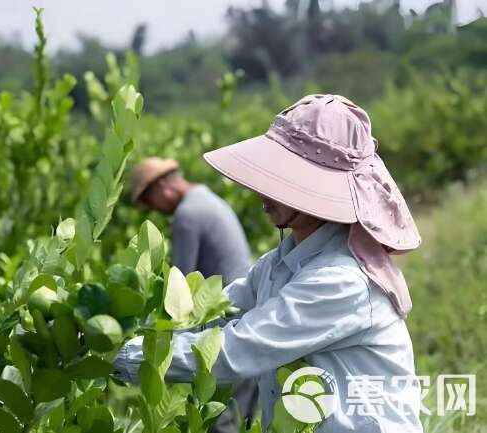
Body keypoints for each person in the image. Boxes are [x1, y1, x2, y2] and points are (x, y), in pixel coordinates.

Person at [116, 94, 424, 433]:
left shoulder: (341, 279)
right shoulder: (280, 262)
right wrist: (117, 332)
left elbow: (235, 349)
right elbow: (213, 314)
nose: (263, 190)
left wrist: (119, 358)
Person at [130, 158, 258, 432]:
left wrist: (150, 339)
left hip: (226, 324)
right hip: (249, 316)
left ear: (162, 186)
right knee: (239, 419)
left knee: (222, 423)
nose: (155, 210)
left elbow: (180, 288)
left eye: (151, 200)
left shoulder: (188, 215)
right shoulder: (206, 198)